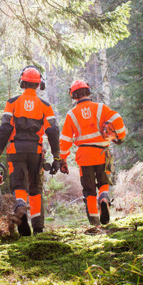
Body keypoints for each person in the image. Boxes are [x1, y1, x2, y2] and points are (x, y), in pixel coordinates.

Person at [0, 66, 63, 236]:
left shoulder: (12, 102)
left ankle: (21, 205)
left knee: (19, 184)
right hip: (36, 151)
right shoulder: (45, 105)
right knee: (35, 188)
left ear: (22, 82)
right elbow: (52, 131)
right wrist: (57, 157)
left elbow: (5, 127)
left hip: (15, 149)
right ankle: (38, 227)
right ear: (39, 85)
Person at [60, 80, 126, 226]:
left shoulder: (71, 114)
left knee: (89, 189)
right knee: (105, 182)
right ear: (88, 92)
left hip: (84, 157)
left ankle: (94, 222)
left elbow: (65, 140)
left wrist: (63, 160)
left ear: (73, 96)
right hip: (103, 153)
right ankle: (103, 199)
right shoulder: (101, 108)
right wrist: (120, 136)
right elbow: (117, 119)